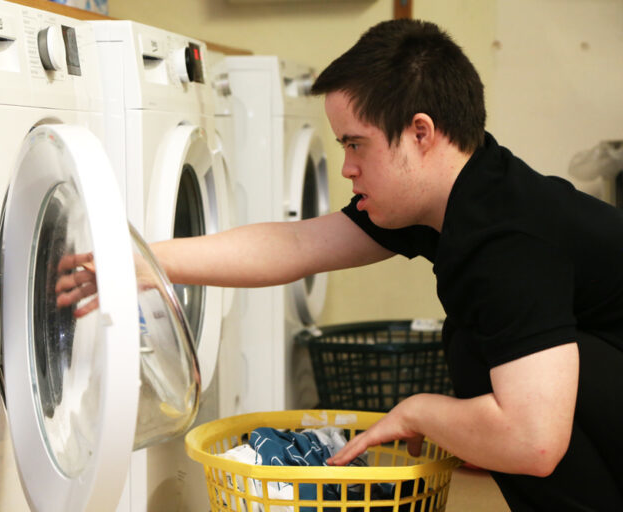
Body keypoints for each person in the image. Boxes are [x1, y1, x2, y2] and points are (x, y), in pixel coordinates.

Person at [56, 19, 623, 510]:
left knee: (483, 359)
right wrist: (139, 263)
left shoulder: (504, 240)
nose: (347, 168)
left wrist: (420, 411)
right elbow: (296, 246)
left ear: (420, 133)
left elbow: (534, 443)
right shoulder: (467, 190)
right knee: (483, 352)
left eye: (356, 145)